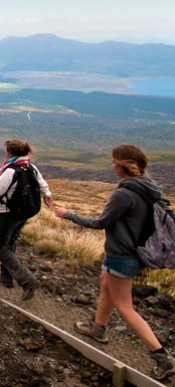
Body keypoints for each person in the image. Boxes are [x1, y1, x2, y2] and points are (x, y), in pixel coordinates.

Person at [53, 144, 175, 380]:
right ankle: (98, 328)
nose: (112, 166)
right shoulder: (148, 187)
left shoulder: (124, 194)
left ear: (123, 164)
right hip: (129, 253)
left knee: (125, 307)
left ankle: (162, 357)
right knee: (106, 285)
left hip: (123, 255)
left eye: (114, 162)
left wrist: (67, 214)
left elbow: (100, 223)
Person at [0, 140, 52, 301]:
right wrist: (47, 195)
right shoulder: (30, 167)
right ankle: (6, 278)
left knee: (0, 247)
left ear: (9, 152)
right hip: (23, 213)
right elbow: (42, 184)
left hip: (7, 213)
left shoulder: (10, 171)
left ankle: (27, 281)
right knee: (10, 243)